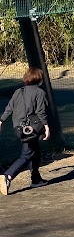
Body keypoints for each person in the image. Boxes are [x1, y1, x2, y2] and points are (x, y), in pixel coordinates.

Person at [0, 67, 50, 195]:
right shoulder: (39, 92)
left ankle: (36, 178)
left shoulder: (18, 92)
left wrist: (1, 121)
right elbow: (41, 112)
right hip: (32, 129)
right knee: (27, 154)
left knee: (35, 151)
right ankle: (8, 176)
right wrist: (46, 126)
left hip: (18, 128)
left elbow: (9, 108)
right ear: (38, 79)